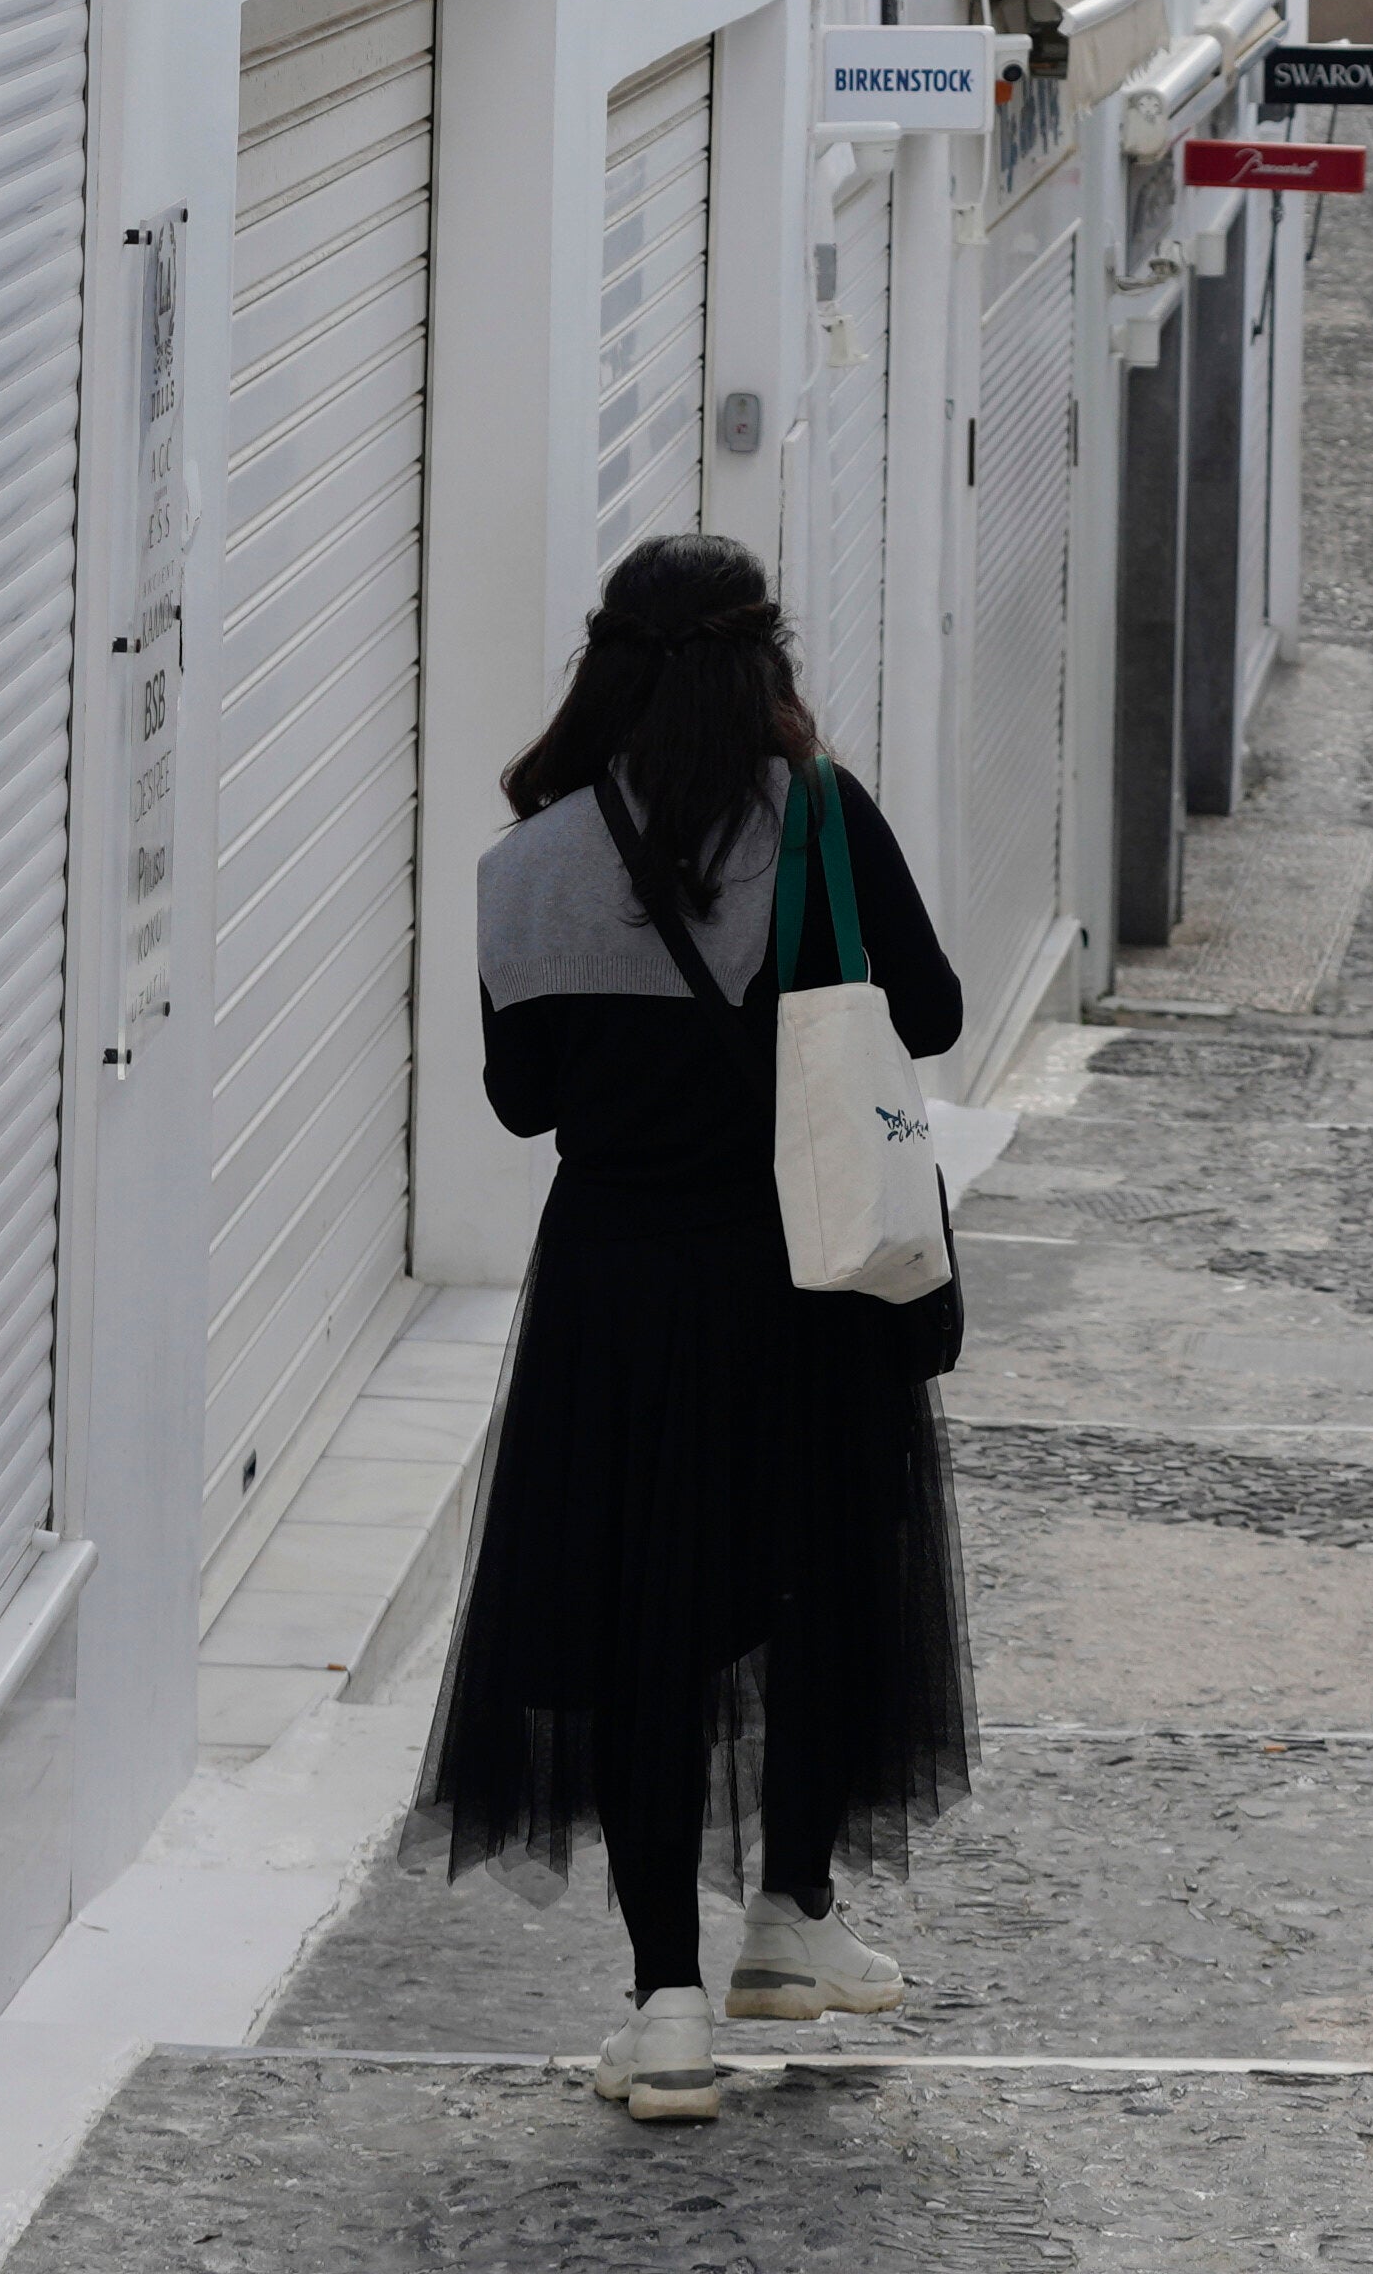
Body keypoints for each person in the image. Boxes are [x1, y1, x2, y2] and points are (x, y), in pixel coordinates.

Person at [415, 538, 981, 2125]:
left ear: (605, 665)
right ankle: (790, 1917)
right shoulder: (822, 823)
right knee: (813, 1589)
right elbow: (928, 1015)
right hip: (806, 1273)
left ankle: (669, 2006)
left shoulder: (527, 866)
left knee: (637, 1628)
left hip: (617, 1289)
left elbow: (527, 1104)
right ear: (765, 661)